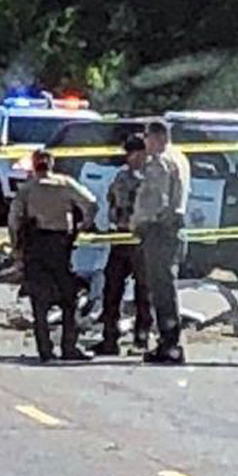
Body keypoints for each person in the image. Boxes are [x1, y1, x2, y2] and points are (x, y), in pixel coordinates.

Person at [9, 147, 98, 362]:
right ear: (51, 164)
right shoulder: (65, 184)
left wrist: (17, 248)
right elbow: (91, 204)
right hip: (61, 246)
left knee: (39, 301)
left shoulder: (27, 189)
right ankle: (69, 347)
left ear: (33, 165)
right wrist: (82, 226)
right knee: (69, 298)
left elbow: (14, 220)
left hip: (35, 247)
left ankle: (45, 350)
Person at [131, 120, 190, 364]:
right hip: (172, 229)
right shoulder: (180, 157)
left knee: (161, 288)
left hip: (159, 230)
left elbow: (155, 201)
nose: (144, 142)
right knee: (165, 286)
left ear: (155, 137)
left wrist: (138, 222)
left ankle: (170, 343)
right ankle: (169, 341)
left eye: (146, 137)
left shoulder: (160, 163)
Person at [95, 135, 154, 356]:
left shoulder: (151, 177)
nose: (130, 158)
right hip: (121, 238)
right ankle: (110, 338)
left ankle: (141, 338)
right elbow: (113, 202)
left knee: (143, 291)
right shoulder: (122, 176)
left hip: (141, 238)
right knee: (112, 288)